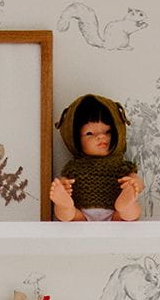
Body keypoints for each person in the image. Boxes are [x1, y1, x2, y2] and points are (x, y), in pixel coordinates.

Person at [49, 93, 143, 222]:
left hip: (115, 214)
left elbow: (138, 182)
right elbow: (67, 180)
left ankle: (125, 206)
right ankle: (64, 205)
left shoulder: (121, 166)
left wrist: (134, 185)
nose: (100, 136)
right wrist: (64, 187)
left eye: (107, 132)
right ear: (75, 139)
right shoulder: (74, 168)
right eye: (89, 133)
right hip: (82, 215)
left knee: (132, 212)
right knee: (67, 214)